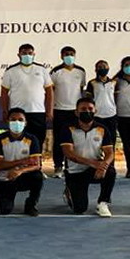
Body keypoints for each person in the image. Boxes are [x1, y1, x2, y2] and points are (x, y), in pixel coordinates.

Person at [58, 97, 116, 217]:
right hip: (74, 173)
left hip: (94, 170)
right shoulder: (67, 129)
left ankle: (103, 203)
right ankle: (69, 190)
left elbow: (110, 152)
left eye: (90, 109)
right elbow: (69, 153)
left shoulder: (102, 129)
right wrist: (94, 163)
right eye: (83, 109)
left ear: (95, 111)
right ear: (76, 112)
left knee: (110, 171)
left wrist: (104, 166)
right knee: (79, 209)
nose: (87, 111)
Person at [0, 44, 53, 174]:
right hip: (17, 114)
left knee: (38, 141)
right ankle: (18, 167)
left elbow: (49, 91)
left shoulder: (42, 70)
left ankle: (37, 168)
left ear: (34, 54)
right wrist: (5, 111)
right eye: (24, 53)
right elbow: (4, 92)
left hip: (38, 112)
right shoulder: (11, 71)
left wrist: (49, 110)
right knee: (18, 141)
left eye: (30, 53)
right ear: (18, 55)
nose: (27, 55)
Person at [0, 108, 44, 216]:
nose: (17, 122)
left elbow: (36, 165)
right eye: (13, 119)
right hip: (6, 177)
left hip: (24, 175)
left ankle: (31, 205)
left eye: (20, 120)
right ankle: (0, 194)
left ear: (25, 123)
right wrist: (23, 161)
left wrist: (20, 171)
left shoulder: (32, 139)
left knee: (38, 176)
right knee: (5, 211)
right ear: (8, 122)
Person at [50, 46, 87, 178]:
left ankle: (71, 165)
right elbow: (50, 91)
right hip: (59, 110)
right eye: (66, 54)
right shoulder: (56, 72)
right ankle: (58, 166)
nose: (69, 56)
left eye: (71, 54)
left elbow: (81, 90)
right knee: (59, 139)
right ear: (61, 56)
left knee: (75, 139)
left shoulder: (81, 71)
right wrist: (50, 110)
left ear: (75, 56)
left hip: (75, 112)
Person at [84, 60, 117, 150]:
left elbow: (116, 97)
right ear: (96, 70)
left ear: (108, 68)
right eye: (100, 67)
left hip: (111, 115)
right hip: (97, 115)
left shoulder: (113, 82)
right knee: (97, 139)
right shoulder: (92, 83)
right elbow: (89, 99)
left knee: (111, 139)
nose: (102, 69)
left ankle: (111, 158)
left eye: (104, 66)